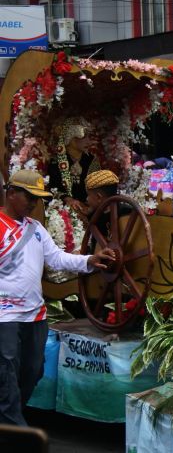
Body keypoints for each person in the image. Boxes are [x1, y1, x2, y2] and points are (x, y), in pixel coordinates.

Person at [0, 170, 114, 425]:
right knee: (6, 375)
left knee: (33, 370)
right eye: (29, 196)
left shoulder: (36, 228)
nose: (33, 203)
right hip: (4, 317)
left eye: (37, 198)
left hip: (35, 315)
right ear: (11, 193)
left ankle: (8, 422)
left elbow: (57, 259)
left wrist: (90, 260)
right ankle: (17, 431)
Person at [47, 117, 100, 213]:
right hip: (63, 211)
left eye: (89, 137)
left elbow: (97, 190)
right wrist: (67, 199)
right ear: (71, 139)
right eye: (84, 137)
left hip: (90, 211)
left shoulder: (91, 161)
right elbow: (52, 188)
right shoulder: (56, 162)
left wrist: (90, 207)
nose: (88, 141)